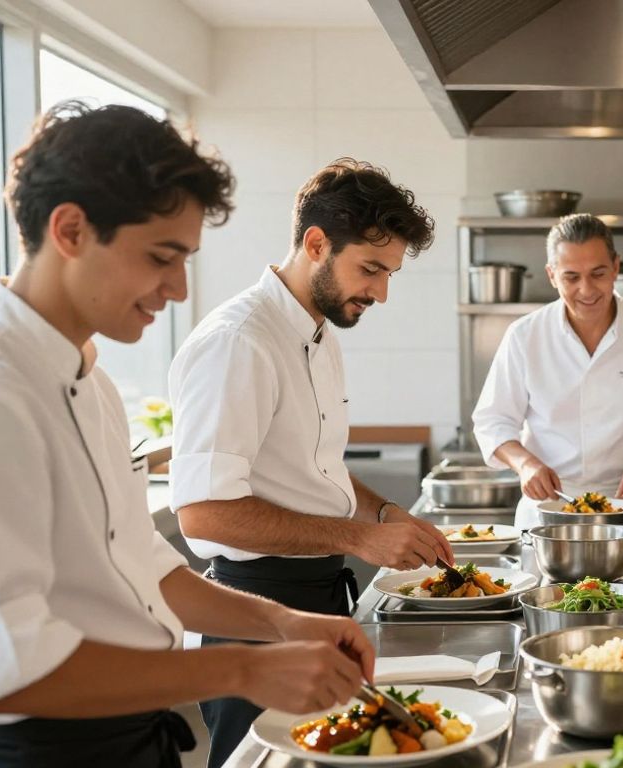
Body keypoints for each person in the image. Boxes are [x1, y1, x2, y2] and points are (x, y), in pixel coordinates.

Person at [0, 103, 374, 768]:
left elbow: (145, 568)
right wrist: (242, 673)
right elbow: (1, 670)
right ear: (71, 230)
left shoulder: (89, 380)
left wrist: (284, 624)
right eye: (162, 257)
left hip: (129, 742)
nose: (178, 287)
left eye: (185, 258)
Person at [169, 158, 451, 766]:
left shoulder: (317, 333)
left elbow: (312, 466)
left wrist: (385, 514)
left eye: (389, 272)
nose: (380, 291)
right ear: (316, 244)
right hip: (258, 611)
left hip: (319, 599)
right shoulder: (239, 340)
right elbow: (204, 514)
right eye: (371, 269)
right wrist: (359, 537)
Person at [473, 213, 623, 529]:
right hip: (548, 510)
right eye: (571, 277)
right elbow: (492, 420)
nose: (587, 290)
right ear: (552, 275)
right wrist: (526, 465)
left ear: (616, 267)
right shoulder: (524, 335)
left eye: (598, 273)